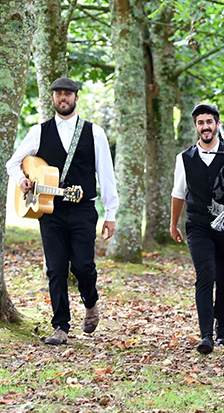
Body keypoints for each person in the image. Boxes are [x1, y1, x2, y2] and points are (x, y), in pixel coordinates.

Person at [6, 77, 119, 345]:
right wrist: (22, 180)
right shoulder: (39, 131)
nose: (63, 98)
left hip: (83, 210)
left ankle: (91, 303)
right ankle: (60, 327)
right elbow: (13, 163)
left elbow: (106, 174)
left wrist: (111, 214)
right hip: (50, 211)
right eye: (58, 94)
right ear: (53, 98)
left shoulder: (95, 132)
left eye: (67, 94)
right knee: (55, 268)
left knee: (83, 266)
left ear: (76, 98)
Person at [170, 103, 224, 355]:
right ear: (195, 126)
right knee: (205, 274)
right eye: (200, 122)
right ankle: (205, 334)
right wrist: (173, 224)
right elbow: (178, 193)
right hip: (198, 224)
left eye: (209, 122)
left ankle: (222, 323)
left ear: (217, 125)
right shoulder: (184, 158)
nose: (205, 126)